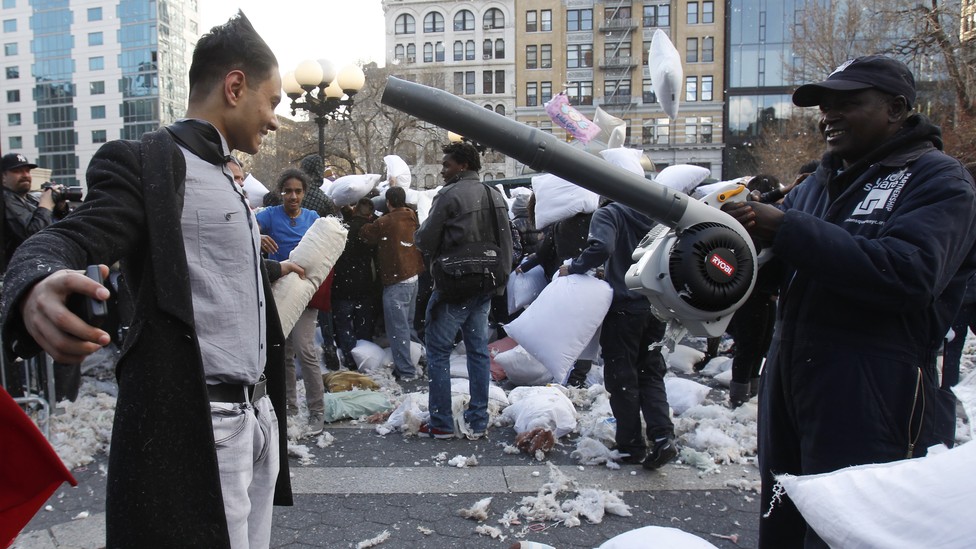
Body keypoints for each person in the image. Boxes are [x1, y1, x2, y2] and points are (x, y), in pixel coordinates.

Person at [0, 13, 298, 547]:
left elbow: (218, 274)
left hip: (257, 419)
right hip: (202, 429)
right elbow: (65, 238)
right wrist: (34, 282)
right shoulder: (147, 163)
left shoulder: (230, 177)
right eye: (271, 101)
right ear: (235, 86)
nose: (275, 119)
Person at [722, 55, 976, 548]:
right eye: (824, 106)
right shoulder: (817, 183)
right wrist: (731, 243)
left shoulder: (938, 179)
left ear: (897, 108)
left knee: (849, 530)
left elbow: (908, 273)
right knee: (786, 525)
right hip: (794, 381)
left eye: (848, 104)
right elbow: (778, 268)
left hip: (875, 388)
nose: (828, 116)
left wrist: (786, 227)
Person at [559, 178, 677, 471]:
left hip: (625, 307)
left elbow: (602, 247)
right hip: (656, 305)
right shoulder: (659, 214)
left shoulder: (610, 213)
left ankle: (631, 446)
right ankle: (663, 436)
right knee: (650, 372)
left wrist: (574, 267)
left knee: (621, 376)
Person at [415, 141, 513, 439]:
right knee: (478, 352)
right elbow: (506, 244)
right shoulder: (493, 194)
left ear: (463, 166)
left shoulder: (448, 196)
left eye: (447, 165)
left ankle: (442, 422)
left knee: (439, 351)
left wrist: (420, 236)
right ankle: (478, 419)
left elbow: (426, 240)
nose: (442, 170)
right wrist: (499, 282)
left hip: (455, 285)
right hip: (485, 284)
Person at [1, 153, 78, 401]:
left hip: (33, 281)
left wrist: (61, 209)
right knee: (13, 348)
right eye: (17, 171)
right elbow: (33, 235)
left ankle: (53, 396)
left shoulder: (28, 201)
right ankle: (20, 400)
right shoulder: (5, 200)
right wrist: (45, 205)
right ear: (3, 177)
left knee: (45, 340)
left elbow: (59, 233)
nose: (25, 175)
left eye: (28, 170)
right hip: (13, 285)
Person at [256, 169, 325, 436]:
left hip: (306, 293)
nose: (293, 196)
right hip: (276, 292)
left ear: (304, 193)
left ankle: (317, 409)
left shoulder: (313, 218)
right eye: (288, 191)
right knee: (282, 352)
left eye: (298, 191)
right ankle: (289, 407)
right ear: (281, 192)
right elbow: (241, 229)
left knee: (305, 349)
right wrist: (257, 237)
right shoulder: (270, 215)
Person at [360, 186, 425, 381]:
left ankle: (406, 372)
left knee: (397, 330)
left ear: (388, 202)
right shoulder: (411, 215)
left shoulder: (385, 221)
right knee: (409, 325)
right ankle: (422, 359)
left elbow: (365, 234)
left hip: (397, 280)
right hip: (414, 276)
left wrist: (365, 215)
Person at [331, 198, 380, 369]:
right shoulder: (370, 231)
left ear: (355, 209)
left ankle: (349, 359)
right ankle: (364, 359)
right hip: (364, 285)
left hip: (341, 284)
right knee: (363, 325)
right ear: (370, 214)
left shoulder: (342, 228)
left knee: (344, 325)